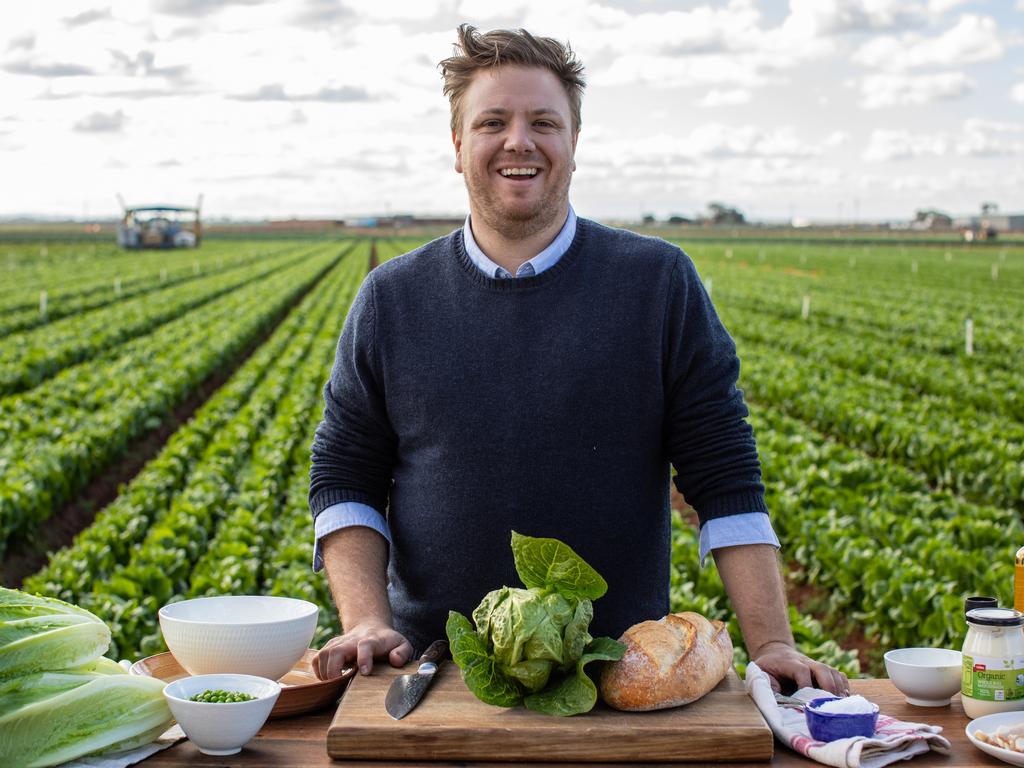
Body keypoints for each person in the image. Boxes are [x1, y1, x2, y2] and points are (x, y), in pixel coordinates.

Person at [308, 24, 848, 697]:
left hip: (623, 674)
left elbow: (723, 472)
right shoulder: (392, 298)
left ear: (573, 143)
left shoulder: (658, 283)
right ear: (457, 146)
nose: (519, 141)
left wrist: (772, 643)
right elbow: (345, 475)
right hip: (430, 675)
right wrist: (364, 620)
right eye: (492, 122)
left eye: (544, 121)